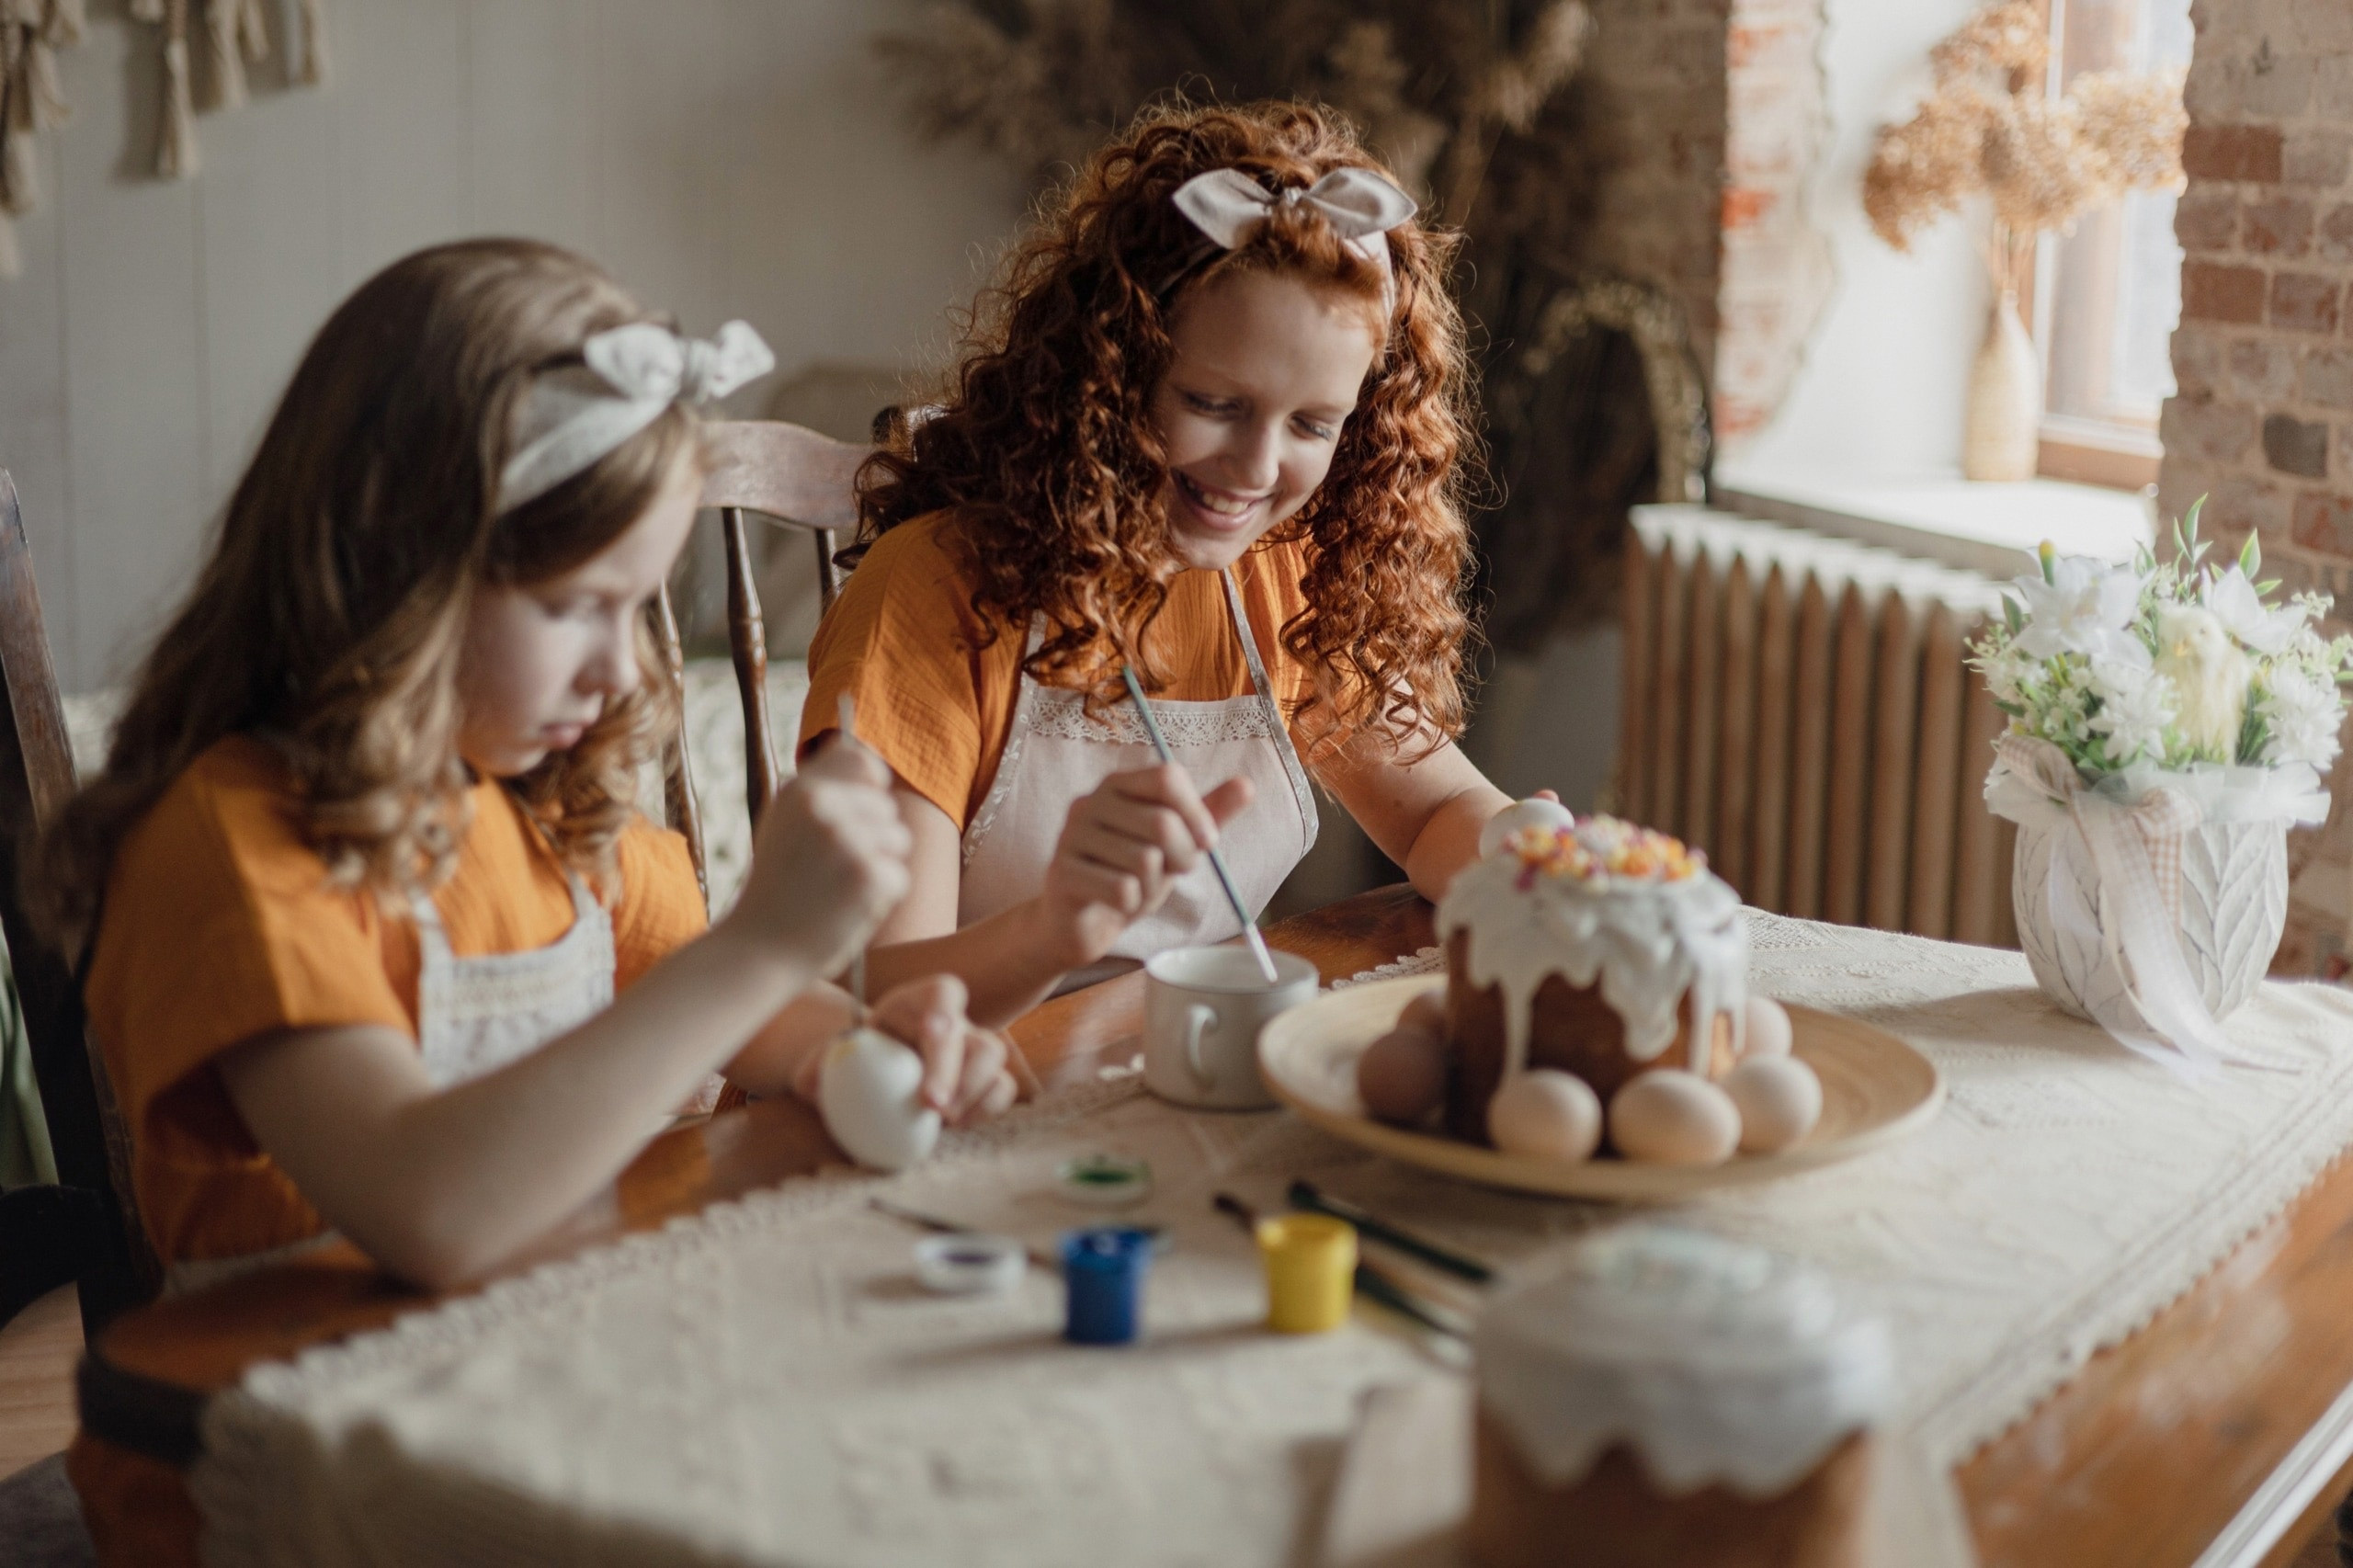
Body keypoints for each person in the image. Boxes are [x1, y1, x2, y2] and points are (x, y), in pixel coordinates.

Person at [35, 240, 1018, 1563]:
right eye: (577, 606)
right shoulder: (237, 846)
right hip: (300, 1467)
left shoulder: (548, 811)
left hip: (536, 1385)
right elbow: (432, 1212)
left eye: (643, 605)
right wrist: (763, 944)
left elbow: (774, 1033)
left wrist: (880, 1056)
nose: (623, 673)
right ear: (395, 576)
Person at [801, 101, 1522, 1026]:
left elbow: (1432, 815)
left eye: (1312, 423)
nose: (1257, 469)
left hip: (1152, 1074)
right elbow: (874, 993)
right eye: (1214, 402)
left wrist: (1530, 854)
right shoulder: (932, 589)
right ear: (1109, 372)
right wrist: (1056, 926)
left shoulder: (1287, 573)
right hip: (947, 1091)